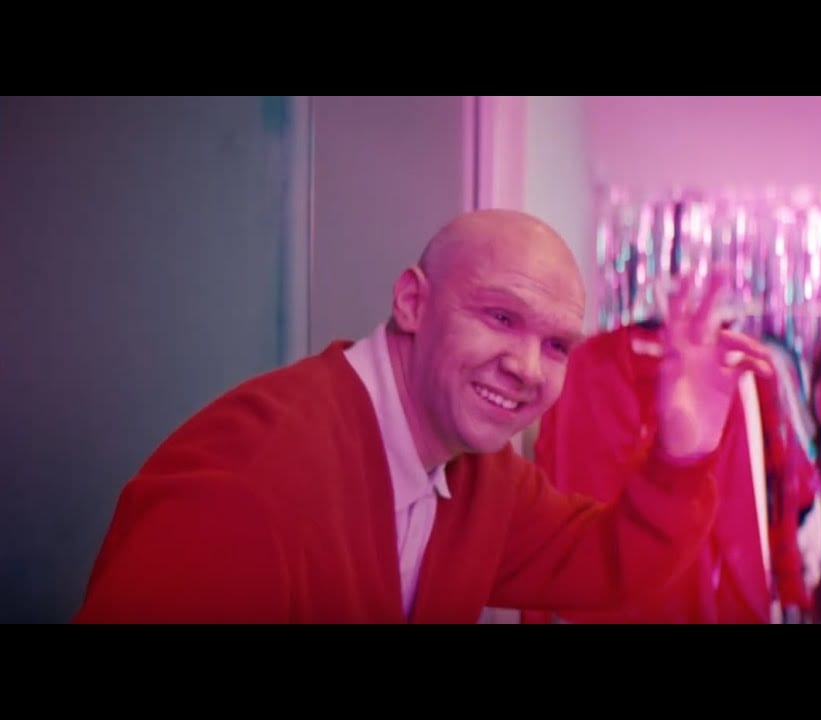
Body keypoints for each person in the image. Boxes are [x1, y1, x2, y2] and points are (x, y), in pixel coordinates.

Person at [74, 209, 774, 623]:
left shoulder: (478, 475)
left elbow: (604, 567)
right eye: (500, 317)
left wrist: (683, 455)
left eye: (557, 345)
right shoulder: (247, 482)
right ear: (412, 302)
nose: (529, 369)